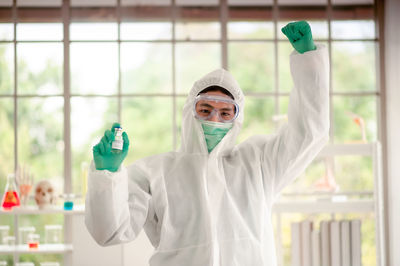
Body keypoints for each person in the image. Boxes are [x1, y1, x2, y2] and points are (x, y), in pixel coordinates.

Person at [85, 20, 329, 266]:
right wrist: (108, 174)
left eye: (225, 113)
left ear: (237, 119)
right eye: (205, 109)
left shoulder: (258, 163)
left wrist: (308, 62)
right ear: (190, 112)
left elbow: (309, 133)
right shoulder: (155, 172)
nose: (214, 119)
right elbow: (111, 232)